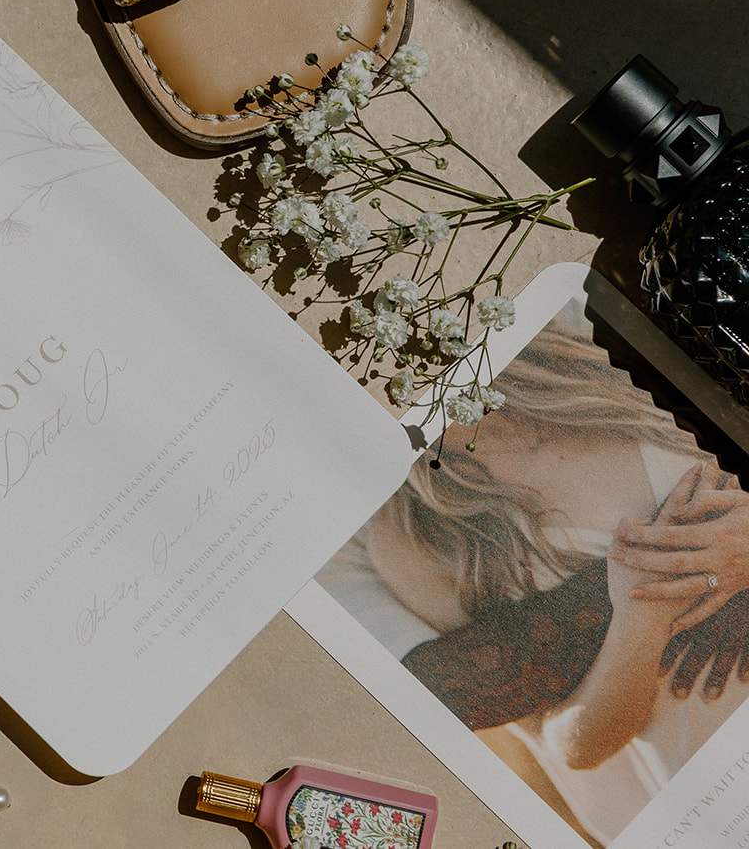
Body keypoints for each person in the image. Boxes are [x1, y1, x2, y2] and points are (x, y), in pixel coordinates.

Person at [320, 303, 749, 845]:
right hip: (710, 785)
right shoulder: (419, 541)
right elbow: (571, 745)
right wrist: (640, 617)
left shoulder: (585, 344)